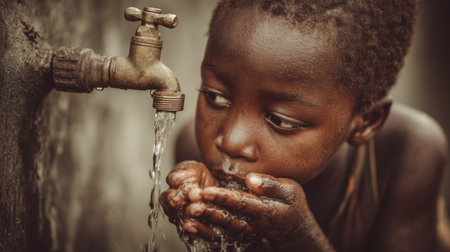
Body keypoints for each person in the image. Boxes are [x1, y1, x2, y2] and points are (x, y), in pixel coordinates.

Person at [160, 0, 449, 251]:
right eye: (214, 96)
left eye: (281, 120)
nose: (231, 141)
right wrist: (208, 226)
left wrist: (295, 236)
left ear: (365, 123)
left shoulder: (408, 153)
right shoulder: (193, 148)